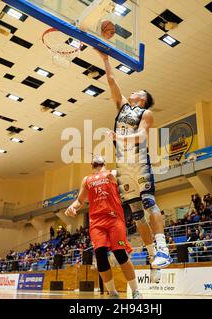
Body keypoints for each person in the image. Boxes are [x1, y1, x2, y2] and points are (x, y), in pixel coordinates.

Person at [96, 50, 172, 272]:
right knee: (137, 216)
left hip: (138, 161)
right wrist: (105, 59)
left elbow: (141, 136)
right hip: (123, 166)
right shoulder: (122, 107)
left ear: (143, 98)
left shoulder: (146, 113)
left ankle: (163, 251)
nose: (133, 90)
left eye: (138, 90)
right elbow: (111, 80)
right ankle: (152, 258)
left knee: (149, 203)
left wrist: (119, 137)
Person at [65, 155, 141, 299]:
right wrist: (72, 207)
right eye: (93, 156)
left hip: (114, 220)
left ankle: (136, 291)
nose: (96, 157)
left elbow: (129, 180)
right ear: (91, 163)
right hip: (97, 223)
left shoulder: (112, 174)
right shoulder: (86, 180)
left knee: (121, 254)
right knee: (100, 256)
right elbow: (80, 201)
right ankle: (112, 293)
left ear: (104, 162)